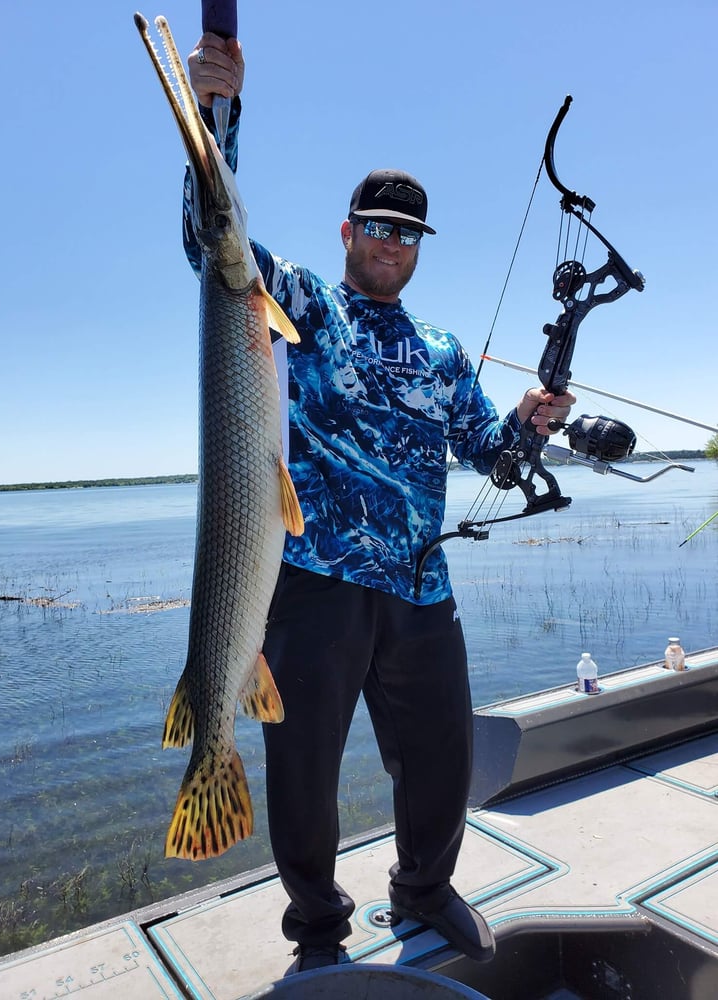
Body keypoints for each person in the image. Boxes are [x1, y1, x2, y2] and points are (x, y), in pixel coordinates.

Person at [184, 34, 575, 976]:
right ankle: (317, 924)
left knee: (439, 760)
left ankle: (424, 887)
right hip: (313, 582)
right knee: (304, 775)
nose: (392, 243)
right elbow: (214, 242)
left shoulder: (440, 349)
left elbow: (489, 453)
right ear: (348, 231)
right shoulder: (307, 308)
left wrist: (530, 424)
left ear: (418, 247)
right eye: (378, 227)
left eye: (408, 233)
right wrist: (216, 119)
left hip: (418, 582)